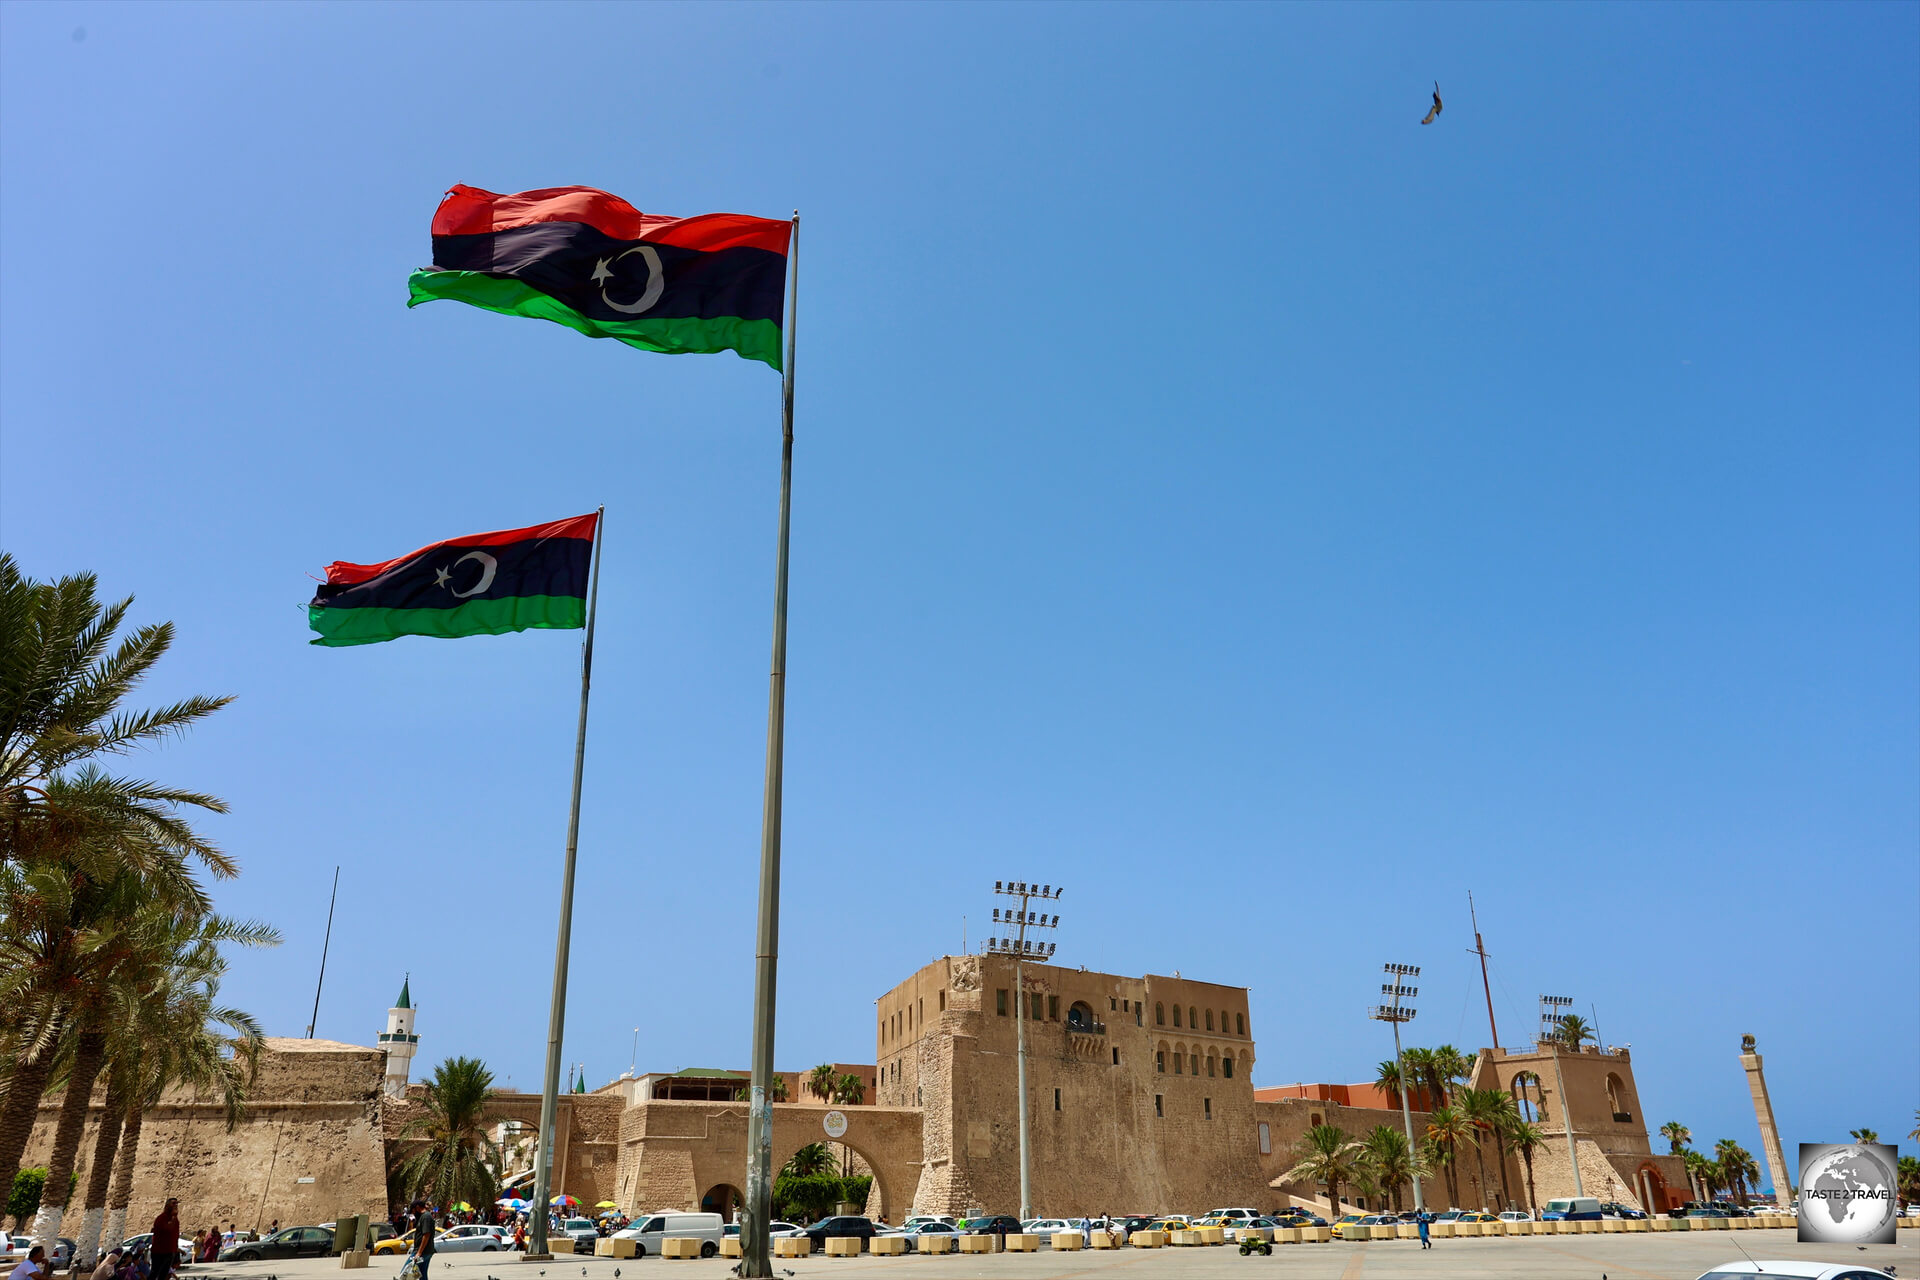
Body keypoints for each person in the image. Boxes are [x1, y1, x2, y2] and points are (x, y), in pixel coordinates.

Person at [151, 1198, 181, 1280]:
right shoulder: (161, 1218)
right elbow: (168, 1229)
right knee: (155, 1273)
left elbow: (175, 1235)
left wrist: (176, 1249)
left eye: (176, 1204)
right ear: (167, 1205)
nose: (175, 1206)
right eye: (173, 1203)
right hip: (159, 1251)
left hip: (170, 1251)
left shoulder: (175, 1219)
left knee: (164, 1274)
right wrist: (174, 1217)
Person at [409, 1200, 436, 1280]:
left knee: (406, 1273)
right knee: (422, 1276)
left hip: (422, 1252)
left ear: (417, 1207)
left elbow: (426, 1235)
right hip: (425, 1252)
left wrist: (419, 1253)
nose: (413, 1213)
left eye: (413, 1211)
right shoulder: (424, 1216)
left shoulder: (425, 1217)